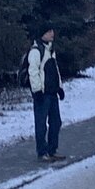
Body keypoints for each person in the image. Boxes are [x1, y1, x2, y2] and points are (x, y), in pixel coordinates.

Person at [27, 29, 65, 162]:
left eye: (52, 31)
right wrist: (37, 90)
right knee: (41, 124)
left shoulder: (50, 50)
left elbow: (55, 70)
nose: (52, 34)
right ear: (42, 34)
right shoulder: (36, 51)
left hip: (52, 92)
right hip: (42, 94)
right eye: (49, 32)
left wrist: (59, 87)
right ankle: (42, 152)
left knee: (56, 122)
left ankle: (52, 150)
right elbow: (33, 72)